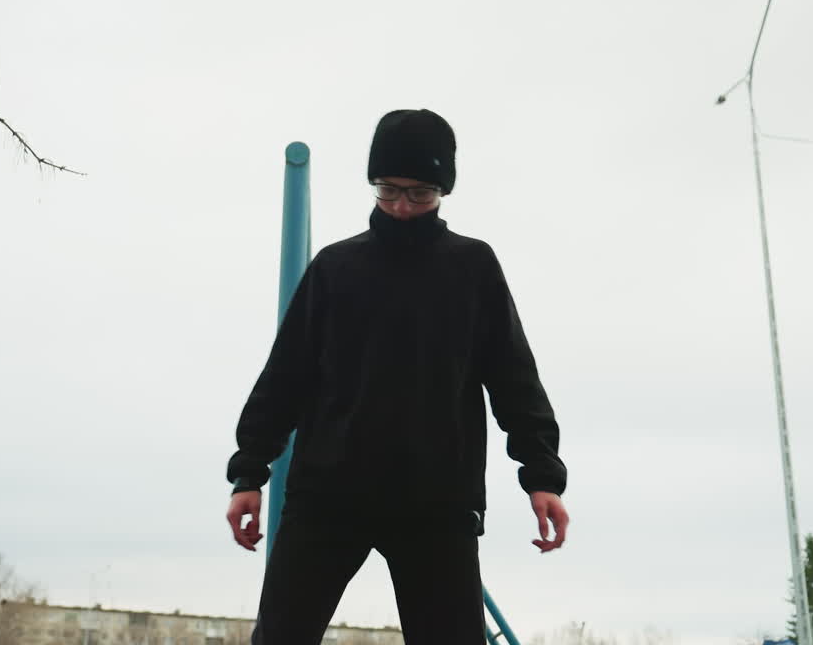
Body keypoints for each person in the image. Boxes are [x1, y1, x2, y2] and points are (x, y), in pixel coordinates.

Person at [225, 109, 568, 644]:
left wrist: (542, 474)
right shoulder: (335, 268)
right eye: (388, 190)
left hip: (435, 500)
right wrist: (249, 474)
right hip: (329, 494)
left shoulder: (471, 267)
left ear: (443, 191)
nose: (402, 207)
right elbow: (284, 379)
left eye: (419, 194)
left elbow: (514, 378)